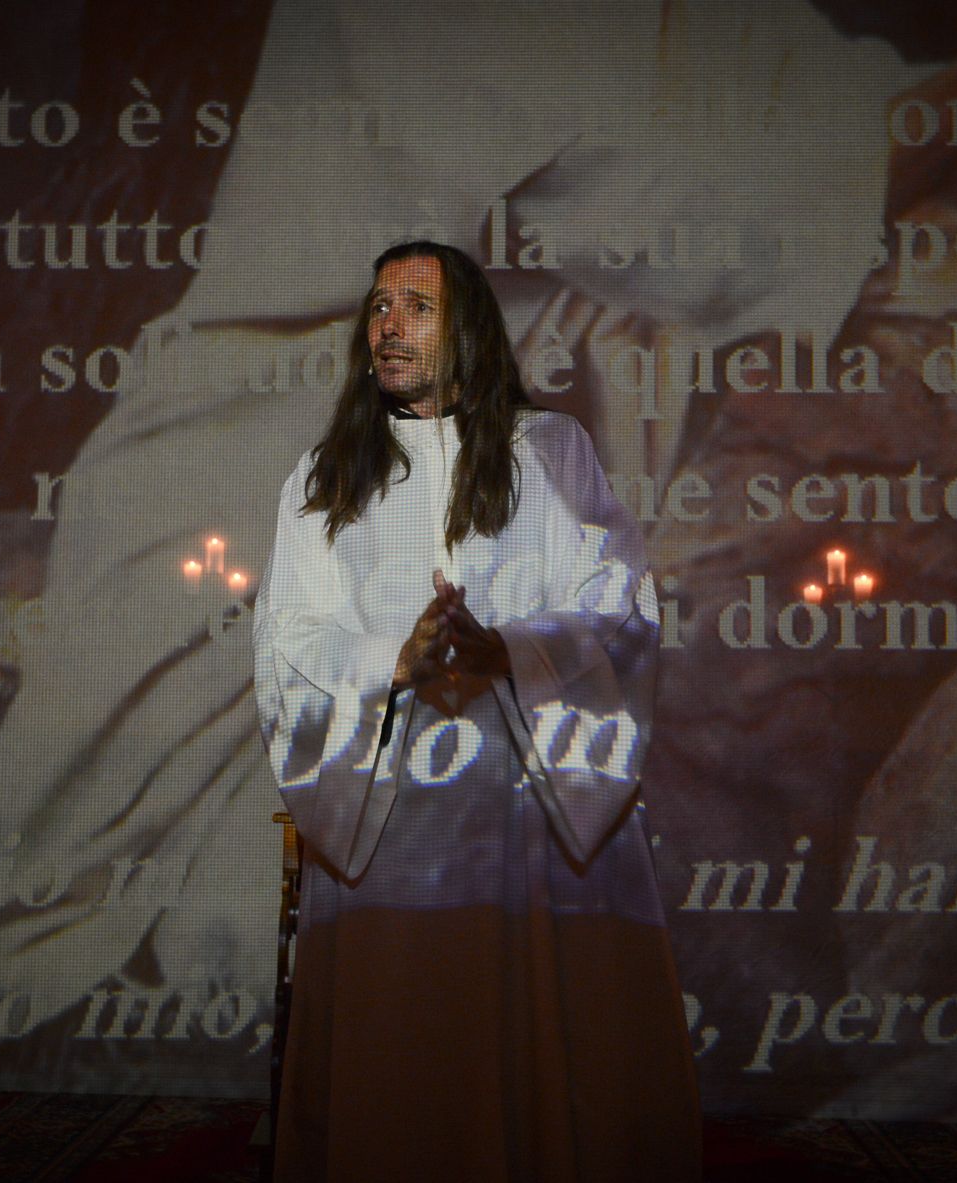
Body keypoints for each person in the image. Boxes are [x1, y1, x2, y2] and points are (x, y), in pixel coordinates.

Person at [253, 241, 702, 1182]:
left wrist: (512, 649)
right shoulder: (325, 477)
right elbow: (291, 636)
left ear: (469, 330)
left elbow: (619, 600)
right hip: (393, 815)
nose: (388, 323)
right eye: (378, 305)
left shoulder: (551, 452)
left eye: (415, 304)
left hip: (529, 805)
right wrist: (394, 659)